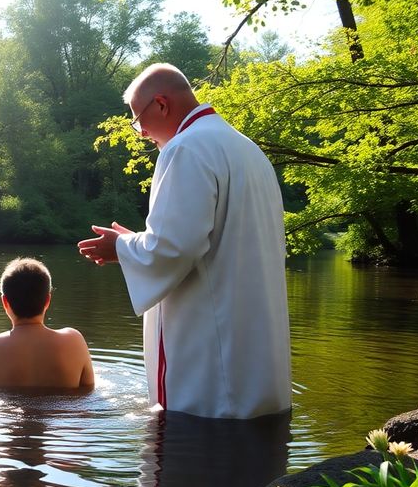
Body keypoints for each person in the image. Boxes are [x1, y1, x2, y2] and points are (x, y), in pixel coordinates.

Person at [77, 63, 291, 419]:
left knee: (192, 460)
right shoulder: (245, 148)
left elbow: (174, 249)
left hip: (212, 363)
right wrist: (139, 244)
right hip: (254, 346)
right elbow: (201, 237)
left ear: (161, 104)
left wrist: (121, 248)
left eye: (137, 120)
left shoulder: (185, 149)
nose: (141, 133)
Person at [0, 258, 95, 390]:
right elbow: (89, 390)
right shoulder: (73, 341)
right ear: (47, 300)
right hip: (62, 410)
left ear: (5, 302)